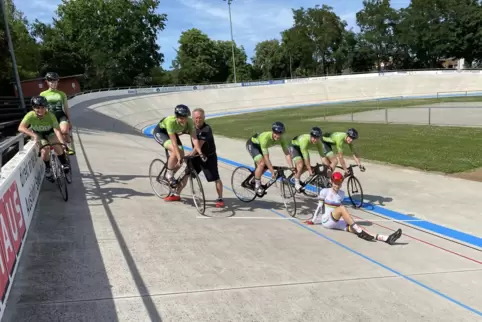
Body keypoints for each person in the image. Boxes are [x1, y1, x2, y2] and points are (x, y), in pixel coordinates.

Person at [306, 172, 402, 245]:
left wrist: (348, 221)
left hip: (336, 222)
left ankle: (385, 238)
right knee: (342, 208)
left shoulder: (342, 194)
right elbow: (319, 207)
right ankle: (359, 231)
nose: (337, 185)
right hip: (326, 221)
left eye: (339, 183)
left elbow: (338, 213)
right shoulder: (324, 191)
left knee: (359, 229)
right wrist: (313, 220)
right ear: (331, 181)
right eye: (335, 183)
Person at [164, 108, 224, 207]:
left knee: (215, 178)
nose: (198, 120)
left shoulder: (206, 129)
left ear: (204, 118)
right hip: (196, 157)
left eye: (200, 118)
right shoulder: (191, 126)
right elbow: (183, 131)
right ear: (192, 118)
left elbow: (198, 147)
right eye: (196, 118)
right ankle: (176, 194)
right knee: (186, 173)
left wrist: (187, 156)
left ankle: (220, 198)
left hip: (208, 157)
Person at [152, 104, 206, 198]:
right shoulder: (170, 121)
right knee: (176, 152)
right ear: (176, 117)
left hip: (172, 132)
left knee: (181, 155)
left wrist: (200, 153)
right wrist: (178, 156)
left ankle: (171, 172)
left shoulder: (189, 121)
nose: (183, 120)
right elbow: (174, 143)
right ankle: (169, 175)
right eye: (181, 118)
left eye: (185, 117)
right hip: (161, 132)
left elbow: (195, 139)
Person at [18, 96, 70, 180]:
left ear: (46, 107)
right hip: (39, 134)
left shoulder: (50, 115)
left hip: (50, 133)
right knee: (45, 149)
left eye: (43, 107)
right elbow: (21, 128)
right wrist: (33, 135)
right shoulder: (30, 115)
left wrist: (62, 143)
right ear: (33, 108)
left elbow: (57, 130)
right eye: (37, 108)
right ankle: (48, 168)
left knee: (57, 145)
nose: (41, 110)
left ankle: (64, 163)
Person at [245, 122, 293, 195]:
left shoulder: (281, 138)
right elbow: (267, 159)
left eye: (280, 133)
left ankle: (254, 180)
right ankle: (257, 186)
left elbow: (287, 154)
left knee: (264, 167)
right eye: (276, 133)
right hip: (253, 145)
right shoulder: (265, 138)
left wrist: (292, 167)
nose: (278, 135)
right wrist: (272, 172)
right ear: (273, 131)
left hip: (261, 146)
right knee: (262, 163)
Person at [39, 72, 75, 155]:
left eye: (55, 82)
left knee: (64, 131)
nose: (53, 84)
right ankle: (62, 148)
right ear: (47, 82)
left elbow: (66, 108)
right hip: (50, 118)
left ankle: (68, 144)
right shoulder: (43, 94)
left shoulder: (62, 94)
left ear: (57, 82)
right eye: (51, 82)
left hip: (61, 116)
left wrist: (69, 120)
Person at [288, 126, 331, 192]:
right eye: (314, 137)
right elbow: (306, 157)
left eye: (317, 138)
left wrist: (328, 167)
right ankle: (296, 183)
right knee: (300, 164)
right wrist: (309, 169)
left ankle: (295, 177)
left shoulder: (319, 143)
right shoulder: (304, 140)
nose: (315, 140)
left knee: (305, 167)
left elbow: (323, 156)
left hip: (302, 149)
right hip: (294, 147)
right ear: (310, 136)